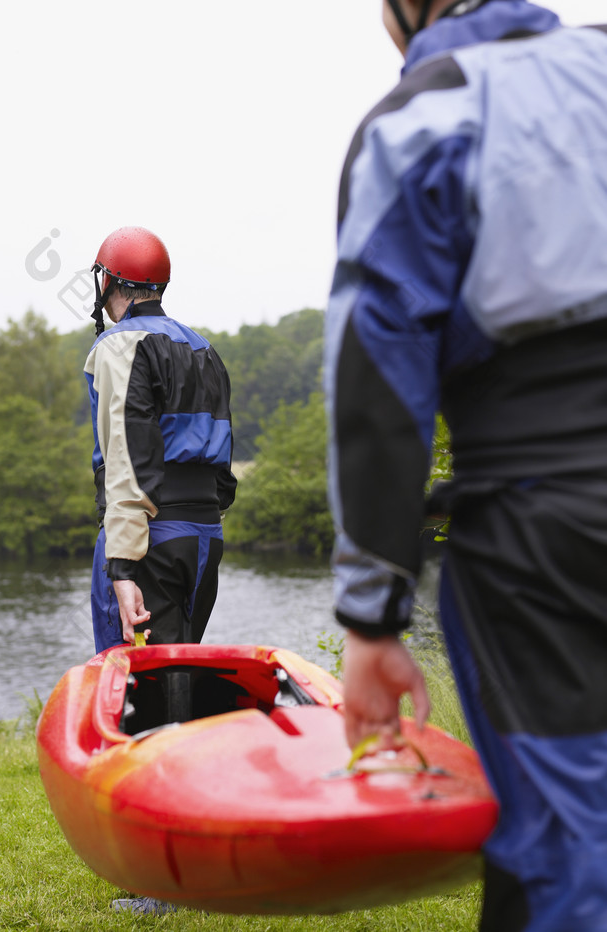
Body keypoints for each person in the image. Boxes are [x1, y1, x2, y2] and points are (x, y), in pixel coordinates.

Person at [325, 2, 607, 929]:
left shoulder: (422, 113)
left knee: (569, 844)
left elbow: (378, 365)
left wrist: (371, 619)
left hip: (543, 524)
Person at [84, 225, 237, 653]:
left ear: (110, 280)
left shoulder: (120, 345)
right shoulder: (203, 347)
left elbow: (128, 456)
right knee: (181, 673)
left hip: (151, 537)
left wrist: (123, 566)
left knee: (135, 684)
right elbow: (222, 461)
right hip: (204, 537)